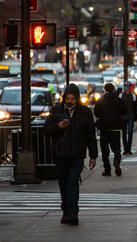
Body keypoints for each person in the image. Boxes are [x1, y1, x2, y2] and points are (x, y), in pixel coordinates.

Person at [43, 83, 97, 226]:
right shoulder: (56, 110)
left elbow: (91, 134)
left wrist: (93, 155)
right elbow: (46, 129)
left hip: (77, 155)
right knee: (63, 184)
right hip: (60, 155)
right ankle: (66, 211)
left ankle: (73, 213)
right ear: (64, 98)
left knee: (72, 183)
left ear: (77, 99)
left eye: (73, 98)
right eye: (68, 98)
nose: (70, 101)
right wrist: (58, 127)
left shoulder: (85, 112)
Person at [93, 83, 126, 176]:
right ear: (113, 90)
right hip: (116, 128)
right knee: (117, 149)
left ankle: (107, 169)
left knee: (105, 150)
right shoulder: (118, 100)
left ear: (105, 90)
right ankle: (116, 162)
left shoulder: (100, 101)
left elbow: (97, 113)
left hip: (104, 129)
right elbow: (124, 111)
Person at [122, 83, 137, 155]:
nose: (126, 88)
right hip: (123, 117)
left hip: (131, 117)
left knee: (130, 133)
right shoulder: (120, 96)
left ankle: (128, 149)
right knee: (124, 133)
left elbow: (136, 107)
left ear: (130, 88)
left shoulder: (133, 96)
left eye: (128, 87)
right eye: (125, 86)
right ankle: (125, 149)